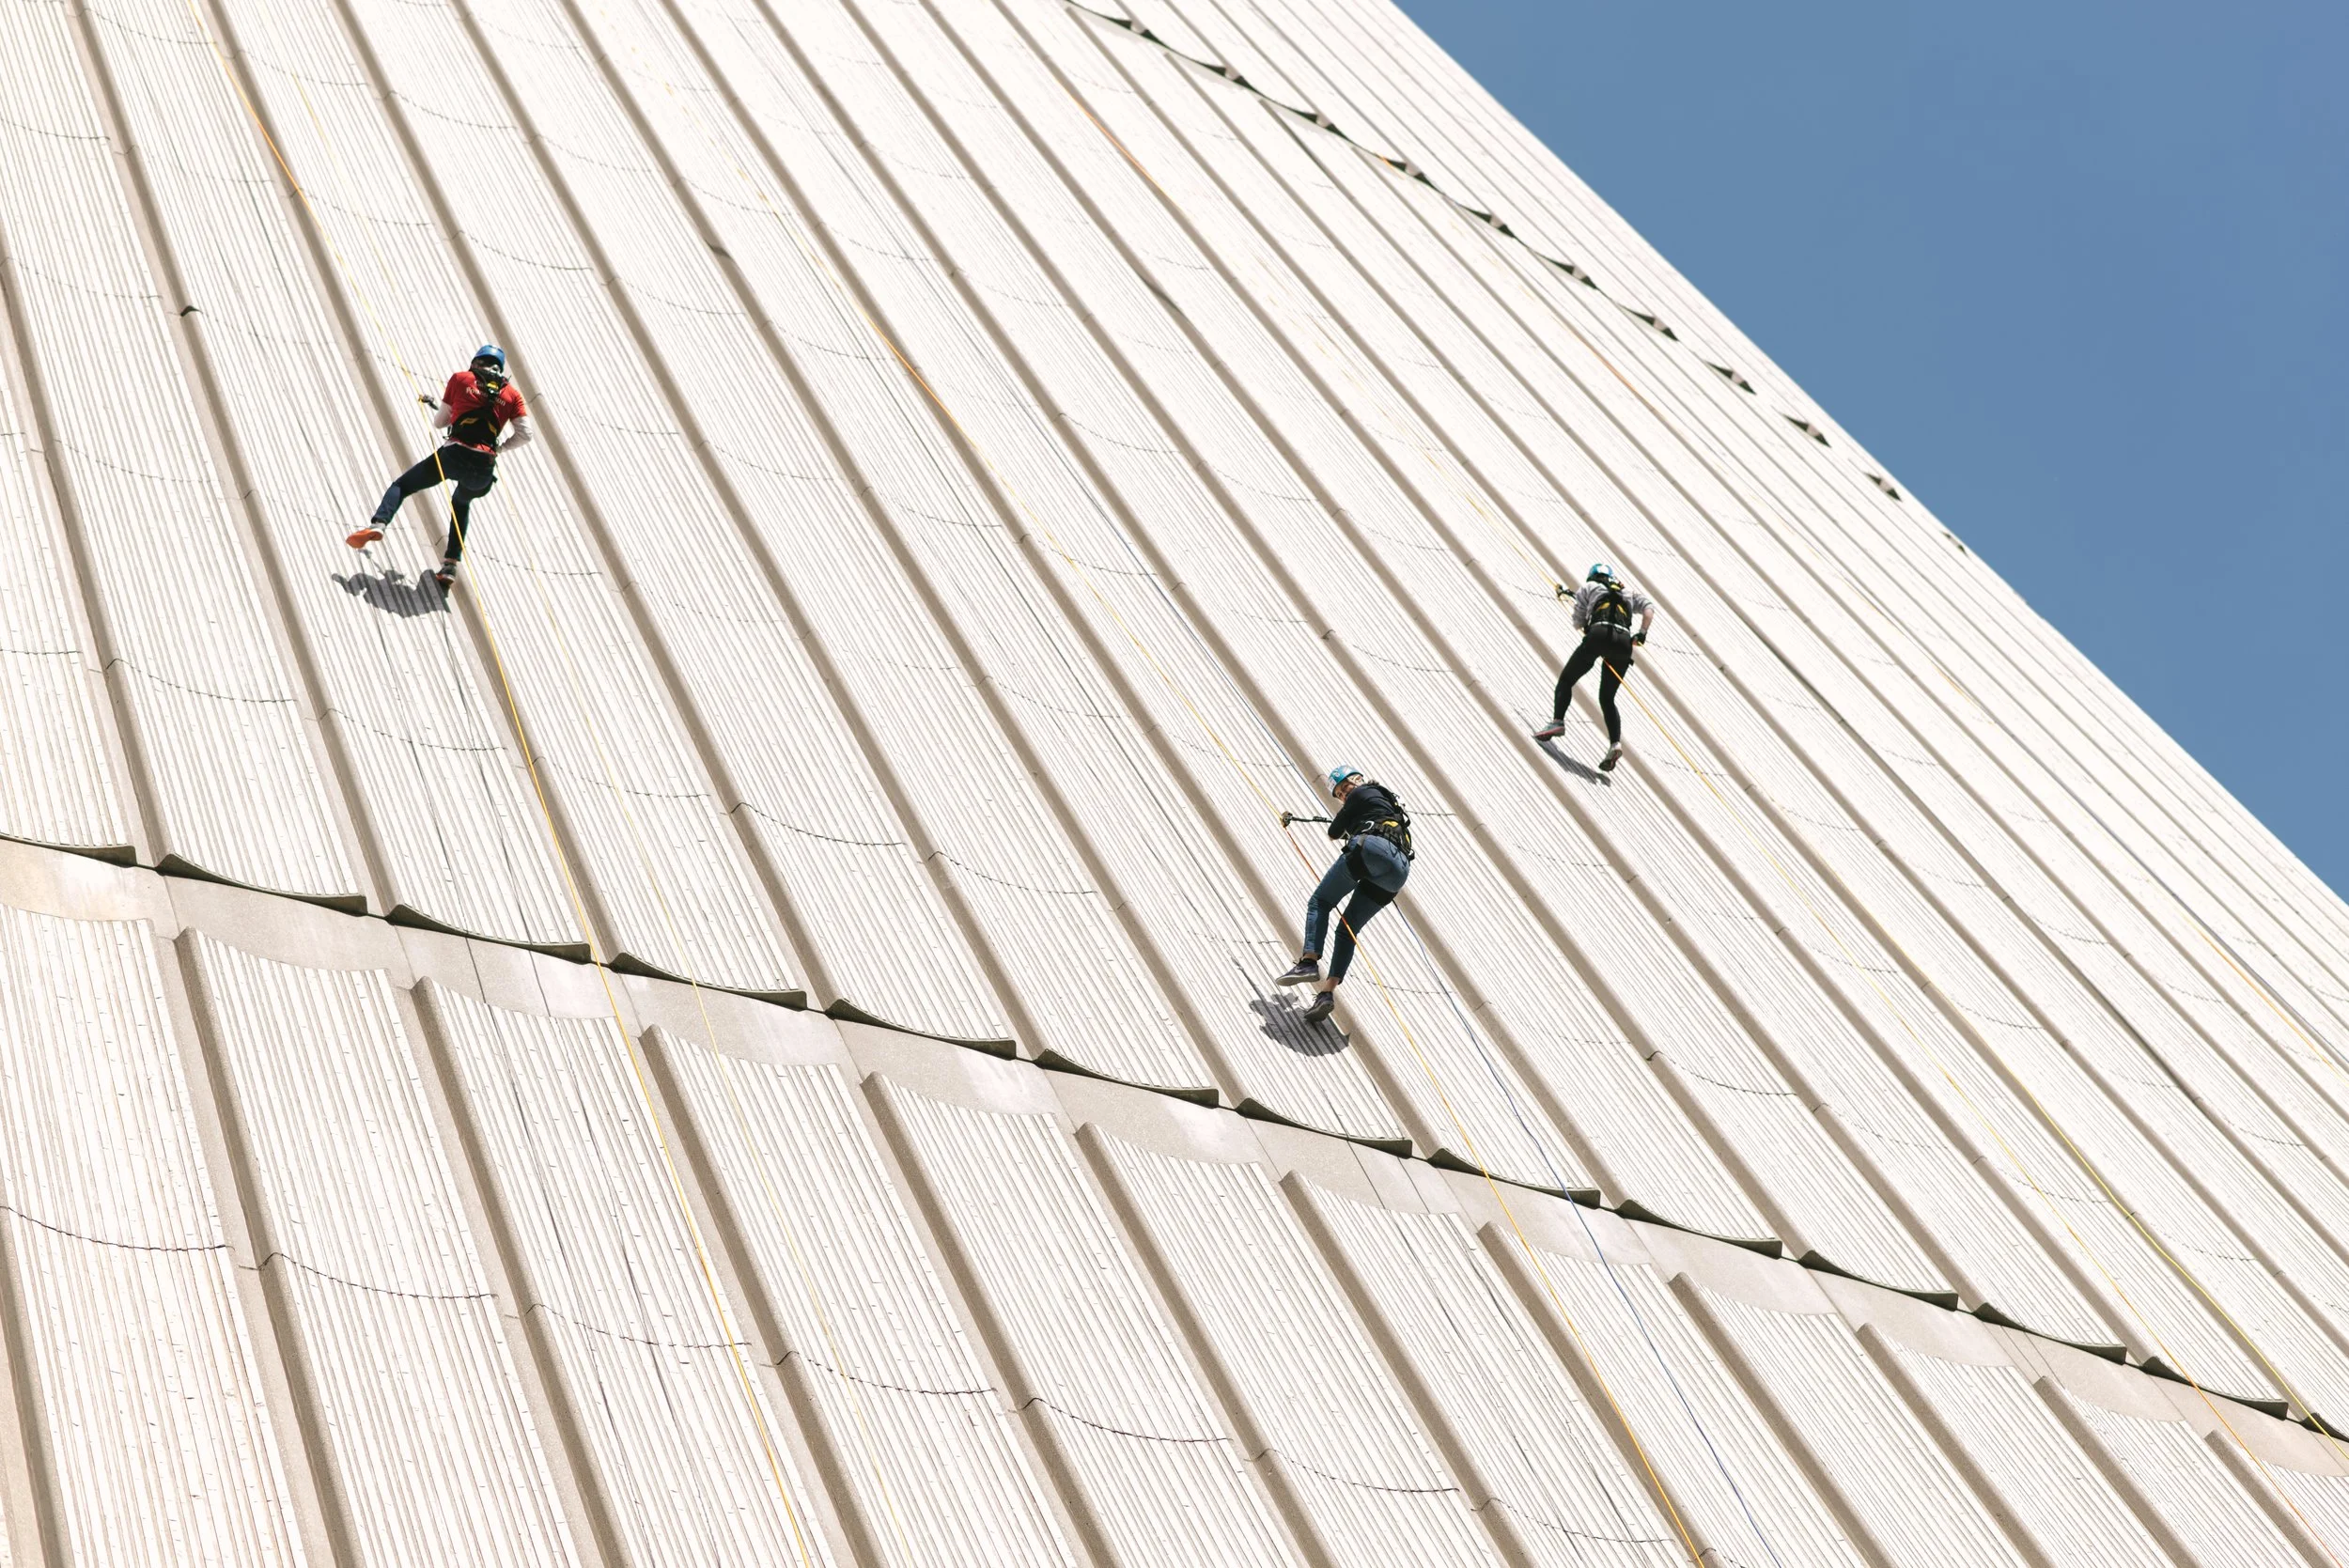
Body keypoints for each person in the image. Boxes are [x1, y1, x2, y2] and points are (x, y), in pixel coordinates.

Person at [348, 345, 534, 591]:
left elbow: (440, 423)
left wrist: (444, 409)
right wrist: (499, 449)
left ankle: (379, 524)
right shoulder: (513, 395)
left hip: (453, 456)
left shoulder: (461, 379)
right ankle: (450, 564)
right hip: (483, 469)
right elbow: (526, 435)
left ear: (476, 362)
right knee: (461, 503)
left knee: (402, 485)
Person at [1273, 766, 1414, 1024]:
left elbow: (1333, 832)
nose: (1345, 794)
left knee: (1320, 901)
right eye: (1340, 793)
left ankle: (1309, 961)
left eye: (1346, 787)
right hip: (1399, 870)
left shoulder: (1362, 793)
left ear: (1358, 780)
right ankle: (1326, 994)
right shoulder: (1387, 802)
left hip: (1372, 848)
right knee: (1347, 929)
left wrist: (1349, 823)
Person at [1532, 563, 1657, 770]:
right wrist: (1642, 633)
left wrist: (1588, 627)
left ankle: (1558, 722)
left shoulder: (1589, 587)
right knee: (1607, 698)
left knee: (1567, 680)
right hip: (1624, 644)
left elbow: (1578, 621)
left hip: (1598, 635)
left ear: (1593, 576)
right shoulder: (1627, 592)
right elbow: (1649, 609)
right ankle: (1615, 744)